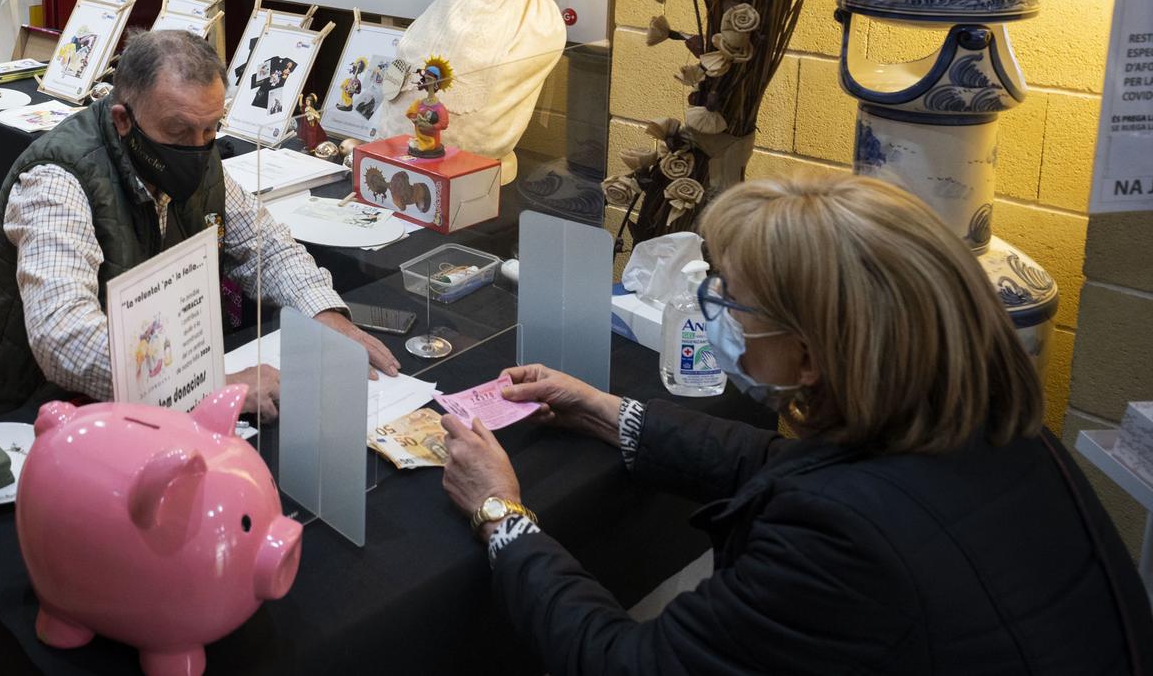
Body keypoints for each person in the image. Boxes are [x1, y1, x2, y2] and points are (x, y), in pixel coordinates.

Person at [439, 174, 1153, 674]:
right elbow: (795, 467)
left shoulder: (840, 549)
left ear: (811, 354)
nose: (713, 309)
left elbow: (626, 662)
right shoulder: (995, 431)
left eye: (732, 301)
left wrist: (502, 515)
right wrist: (609, 413)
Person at [0, 30, 398, 434]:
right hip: (23, 425)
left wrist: (326, 316)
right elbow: (65, 337)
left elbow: (266, 247)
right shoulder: (57, 180)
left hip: (141, 403)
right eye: (179, 132)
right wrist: (210, 384)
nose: (198, 150)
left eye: (211, 129)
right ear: (124, 120)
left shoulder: (199, 155)